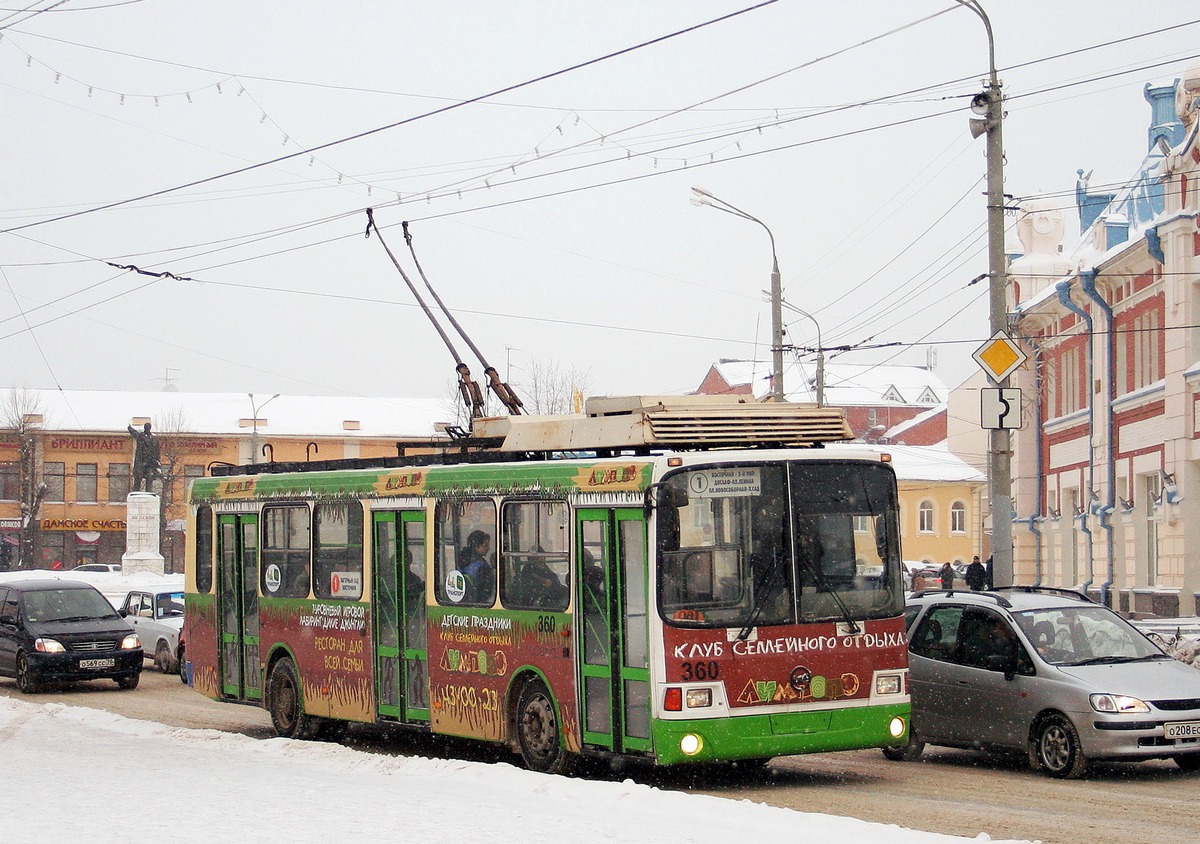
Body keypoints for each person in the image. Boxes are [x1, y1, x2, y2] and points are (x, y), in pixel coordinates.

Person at [458, 530, 494, 604]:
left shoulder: (462, 560)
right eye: (485, 546)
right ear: (476, 546)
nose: (488, 548)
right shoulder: (482, 567)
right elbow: (487, 591)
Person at [127, 421, 161, 492]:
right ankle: (135, 493)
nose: (147, 429)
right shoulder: (141, 436)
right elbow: (134, 433)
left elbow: (157, 451)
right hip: (141, 462)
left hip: (150, 463)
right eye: (146, 427)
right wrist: (130, 428)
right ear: (144, 428)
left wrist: (158, 462)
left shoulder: (154, 439)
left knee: (150, 478)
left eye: (148, 427)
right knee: (138, 479)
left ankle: (149, 493)